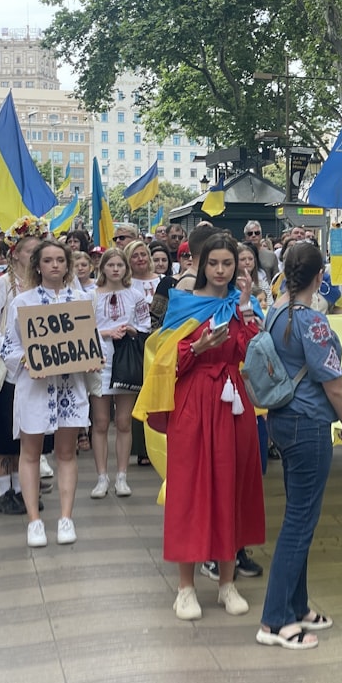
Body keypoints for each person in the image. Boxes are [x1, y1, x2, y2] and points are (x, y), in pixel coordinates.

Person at [140, 235, 265, 620]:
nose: (222, 270)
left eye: (229, 263)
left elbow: (253, 353)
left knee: (231, 488)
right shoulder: (183, 304)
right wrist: (197, 348)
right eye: (215, 263)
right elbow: (164, 361)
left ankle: (227, 582)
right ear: (202, 264)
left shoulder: (244, 305)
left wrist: (245, 309)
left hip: (233, 405)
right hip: (193, 403)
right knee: (189, 490)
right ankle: (185, 588)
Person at [257, 242, 342, 649]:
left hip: (283, 420)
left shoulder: (275, 313)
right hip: (310, 425)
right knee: (299, 524)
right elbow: (333, 384)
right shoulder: (313, 322)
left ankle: (297, 606)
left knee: (299, 518)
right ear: (320, 277)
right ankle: (274, 621)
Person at [2, 239, 94, 547]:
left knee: (67, 453)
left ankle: (66, 518)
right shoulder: (22, 302)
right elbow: (8, 346)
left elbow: (90, 341)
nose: (54, 265)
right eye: (48, 260)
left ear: (68, 265)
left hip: (70, 386)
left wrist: (94, 358)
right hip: (35, 387)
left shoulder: (82, 301)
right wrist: (25, 360)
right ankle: (34, 521)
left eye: (60, 260)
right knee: (30, 453)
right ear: (37, 266)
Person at [0, 231, 43, 516]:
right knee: (2, 433)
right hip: (6, 372)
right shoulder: (2, 285)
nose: (36, 257)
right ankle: (5, 491)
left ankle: (20, 487)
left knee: (25, 433)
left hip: (35, 372)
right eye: (31, 252)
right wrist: (14, 352)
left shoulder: (42, 288)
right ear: (15, 254)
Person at [89, 248, 150, 499]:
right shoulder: (90, 296)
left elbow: (146, 325)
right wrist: (105, 333)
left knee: (124, 421)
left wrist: (132, 329)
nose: (115, 269)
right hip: (100, 359)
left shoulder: (136, 295)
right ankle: (101, 476)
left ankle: (122, 476)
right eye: (111, 265)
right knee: (101, 421)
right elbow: (83, 328)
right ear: (102, 267)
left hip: (125, 360)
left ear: (126, 269)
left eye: (120, 265)